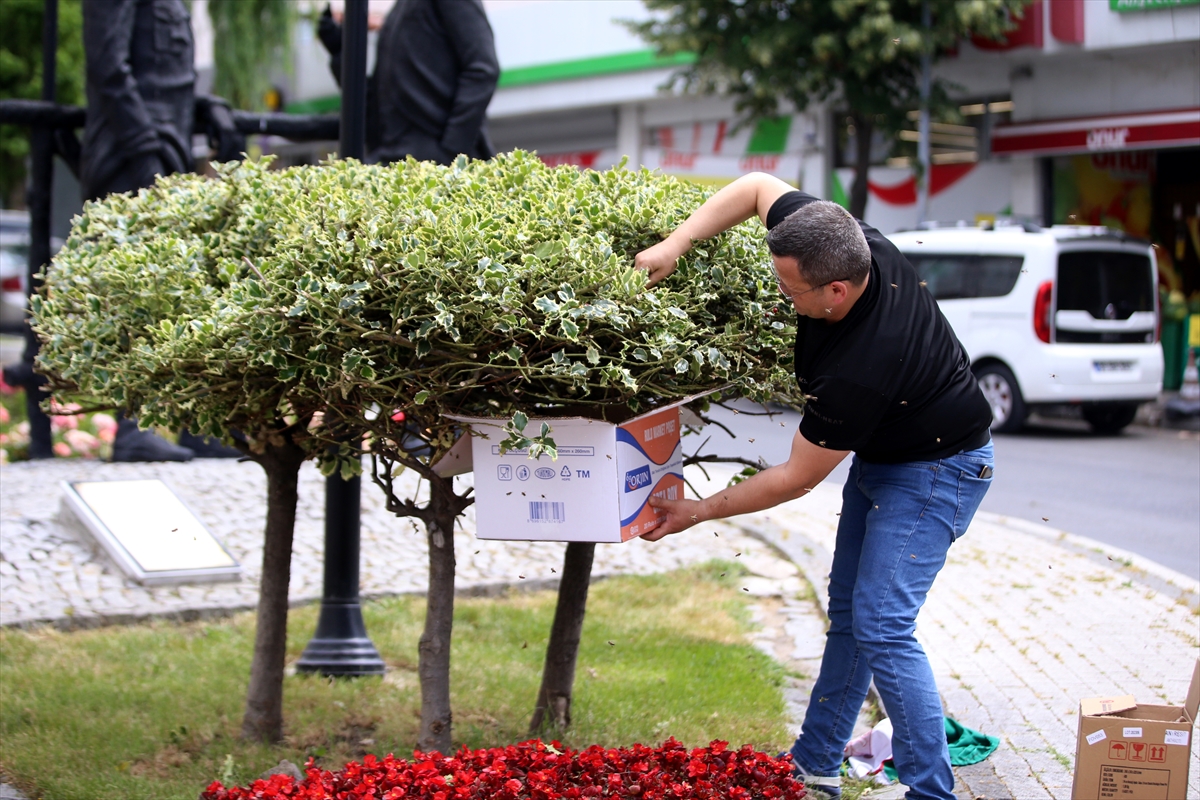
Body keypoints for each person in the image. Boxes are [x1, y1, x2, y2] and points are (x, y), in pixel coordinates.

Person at [635, 173, 995, 800]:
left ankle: (932, 793)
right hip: (891, 453)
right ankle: (816, 762)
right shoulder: (853, 242)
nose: (781, 296)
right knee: (852, 613)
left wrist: (697, 511)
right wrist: (675, 245)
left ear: (836, 288)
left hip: (939, 470)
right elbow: (753, 187)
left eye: (788, 288)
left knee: (883, 624)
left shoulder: (862, 367)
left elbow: (796, 478)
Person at [80, 0, 236, 461]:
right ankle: (130, 429)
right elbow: (108, 64)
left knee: (179, 290)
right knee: (130, 290)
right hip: (131, 155)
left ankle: (194, 423)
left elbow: (165, 80)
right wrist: (143, 144)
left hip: (165, 151)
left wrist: (209, 107)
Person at [317, 0, 498, 165]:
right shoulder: (397, 14)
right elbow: (376, 109)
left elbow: (482, 70)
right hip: (397, 162)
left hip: (437, 167)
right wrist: (341, 51)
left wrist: (450, 152)